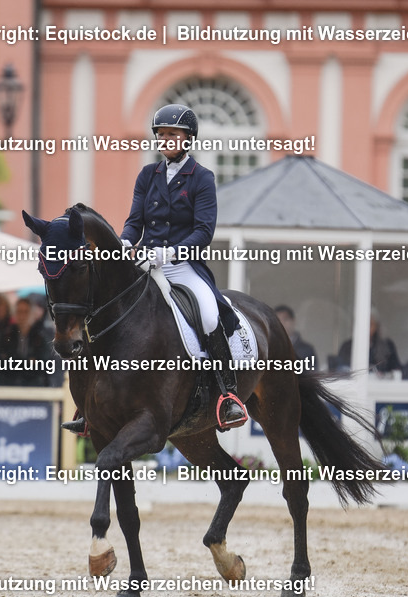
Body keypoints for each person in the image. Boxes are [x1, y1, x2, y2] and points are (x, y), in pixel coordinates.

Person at [120, 103, 247, 429]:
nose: (165, 140)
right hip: (145, 262)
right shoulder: (148, 175)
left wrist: (171, 253)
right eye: (161, 134)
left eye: (172, 134)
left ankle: (227, 395)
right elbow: (135, 221)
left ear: (187, 138)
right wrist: (123, 242)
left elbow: (203, 231)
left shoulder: (202, 178)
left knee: (208, 313)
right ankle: (92, 402)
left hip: (182, 266)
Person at [0, 295, 53, 387]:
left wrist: (15, 362)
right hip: (8, 386)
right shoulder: (6, 336)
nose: (22, 316)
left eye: (26, 312)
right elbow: (0, 363)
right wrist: (28, 362)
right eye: (19, 312)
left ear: (32, 314)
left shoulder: (40, 337)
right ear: (15, 314)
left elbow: (44, 364)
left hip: (34, 387)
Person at [274, 305, 317, 369]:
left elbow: (312, 374)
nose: (281, 323)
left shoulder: (307, 350)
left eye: (285, 319)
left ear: (293, 321)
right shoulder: (269, 348)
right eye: (278, 320)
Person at [369, 308, 402, 377]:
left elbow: (396, 370)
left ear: (376, 326)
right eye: (363, 324)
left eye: (370, 325)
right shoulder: (348, 347)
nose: (366, 328)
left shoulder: (387, 346)